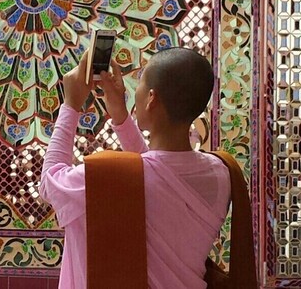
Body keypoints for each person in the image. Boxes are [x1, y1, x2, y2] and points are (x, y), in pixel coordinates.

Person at [40, 47, 233, 288]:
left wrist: (71, 104)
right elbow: (155, 174)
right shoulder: (219, 174)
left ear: (151, 98)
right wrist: (120, 115)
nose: (135, 91)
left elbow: (50, 183)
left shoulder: (106, 177)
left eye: (140, 83)